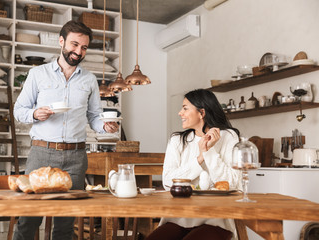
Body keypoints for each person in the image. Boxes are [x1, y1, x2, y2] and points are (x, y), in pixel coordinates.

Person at [13, 20, 119, 240]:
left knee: (66, 223)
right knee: (28, 218)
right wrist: (34, 114)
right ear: (61, 41)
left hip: (76, 157)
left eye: (84, 47)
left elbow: (93, 116)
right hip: (41, 154)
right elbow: (19, 110)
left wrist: (105, 126)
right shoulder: (38, 74)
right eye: (74, 44)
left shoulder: (89, 80)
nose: (78, 51)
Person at [145, 89, 241, 240]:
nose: (179, 113)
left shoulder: (228, 137)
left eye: (185, 108)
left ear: (201, 113)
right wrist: (199, 159)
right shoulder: (177, 140)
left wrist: (209, 152)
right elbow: (168, 182)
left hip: (216, 219)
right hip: (178, 218)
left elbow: (232, 183)